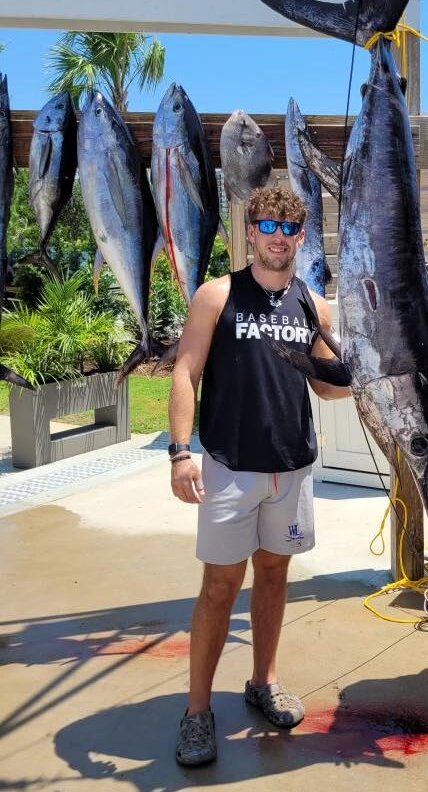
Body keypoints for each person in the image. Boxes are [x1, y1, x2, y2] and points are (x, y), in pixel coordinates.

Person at [169, 185, 350, 767]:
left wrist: (368, 371)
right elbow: (185, 371)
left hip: (291, 469)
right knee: (219, 587)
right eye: (267, 225)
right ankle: (197, 711)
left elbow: (325, 385)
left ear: (301, 237)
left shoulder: (313, 305)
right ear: (250, 232)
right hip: (228, 467)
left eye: (289, 228)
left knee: (273, 578)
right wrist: (178, 452)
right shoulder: (216, 295)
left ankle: (262, 682)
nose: (278, 236)